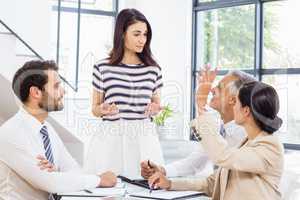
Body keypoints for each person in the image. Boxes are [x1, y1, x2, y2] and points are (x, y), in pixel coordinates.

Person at [0, 60, 117, 200]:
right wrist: (99, 180)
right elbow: (50, 183)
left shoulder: (47, 130)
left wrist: (58, 174)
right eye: (56, 86)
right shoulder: (12, 132)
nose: (63, 91)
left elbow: (74, 169)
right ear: (36, 92)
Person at [148, 81, 284, 200]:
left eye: (236, 102)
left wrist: (201, 106)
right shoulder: (246, 143)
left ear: (246, 111)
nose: (233, 105)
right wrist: (170, 183)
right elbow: (211, 184)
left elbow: (222, 156)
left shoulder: (269, 146)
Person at [85, 8, 164, 178]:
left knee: (145, 188)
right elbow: (95, 109)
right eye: (137, 34)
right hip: (111, 138)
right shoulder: (102, 67)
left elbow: (157, 105)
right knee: (108, 189)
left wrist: (155, 108)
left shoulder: (153, 69)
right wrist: (103, 109)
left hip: (143, 138)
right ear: (122, 33)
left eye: (145, 34)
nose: (142, 39)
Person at [141, 68, 256, 178]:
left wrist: (201, 104)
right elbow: (194, 162)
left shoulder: (248, 134)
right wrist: (162, 170)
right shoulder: (218, 128)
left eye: (220, 87)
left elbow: (222, 156)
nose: (211, 89)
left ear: (234, 99)